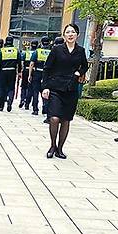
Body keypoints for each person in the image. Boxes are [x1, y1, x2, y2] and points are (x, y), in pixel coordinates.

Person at [42, 24, 88, 159]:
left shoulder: (80, 50)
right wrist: (45, 87)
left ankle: (60, 149)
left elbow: (84, 66)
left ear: (77, 35)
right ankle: (52, 145)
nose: (70, 34)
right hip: (55, 88)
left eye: (73, 32)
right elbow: (47, 68)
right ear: (64, 35)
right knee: (54, 118)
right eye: (67, 32)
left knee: (66, 120)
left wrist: (78, 73)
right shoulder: (57, 49)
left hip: (71, 88)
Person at [0, 36, 21, 112]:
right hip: (12, 71)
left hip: (3, 71)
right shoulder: (16, 51)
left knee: (2, 88)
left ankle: (1, 106)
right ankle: (10, 103)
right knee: (11, 88)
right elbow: (19, 62)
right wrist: (19, 72)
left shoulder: (2, 51)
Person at [29, 36, 52, 117]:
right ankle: (45, 108)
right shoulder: (52, 52)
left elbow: (32, 63)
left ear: (41, 43)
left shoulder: (37, 52)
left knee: (35, 92)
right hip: (47, 75)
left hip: (37, 73)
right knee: (45, 91)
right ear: (49, 43)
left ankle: (35, 109)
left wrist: (30, 75)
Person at [19, 40, 38, 110]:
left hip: (26, 70)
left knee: (24, 86)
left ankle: (22, 99)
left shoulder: (25, 53)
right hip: (35, 71)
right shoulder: (38, 52)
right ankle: (31, 102)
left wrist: (21, 70)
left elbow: (22, 62)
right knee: (32, 88)